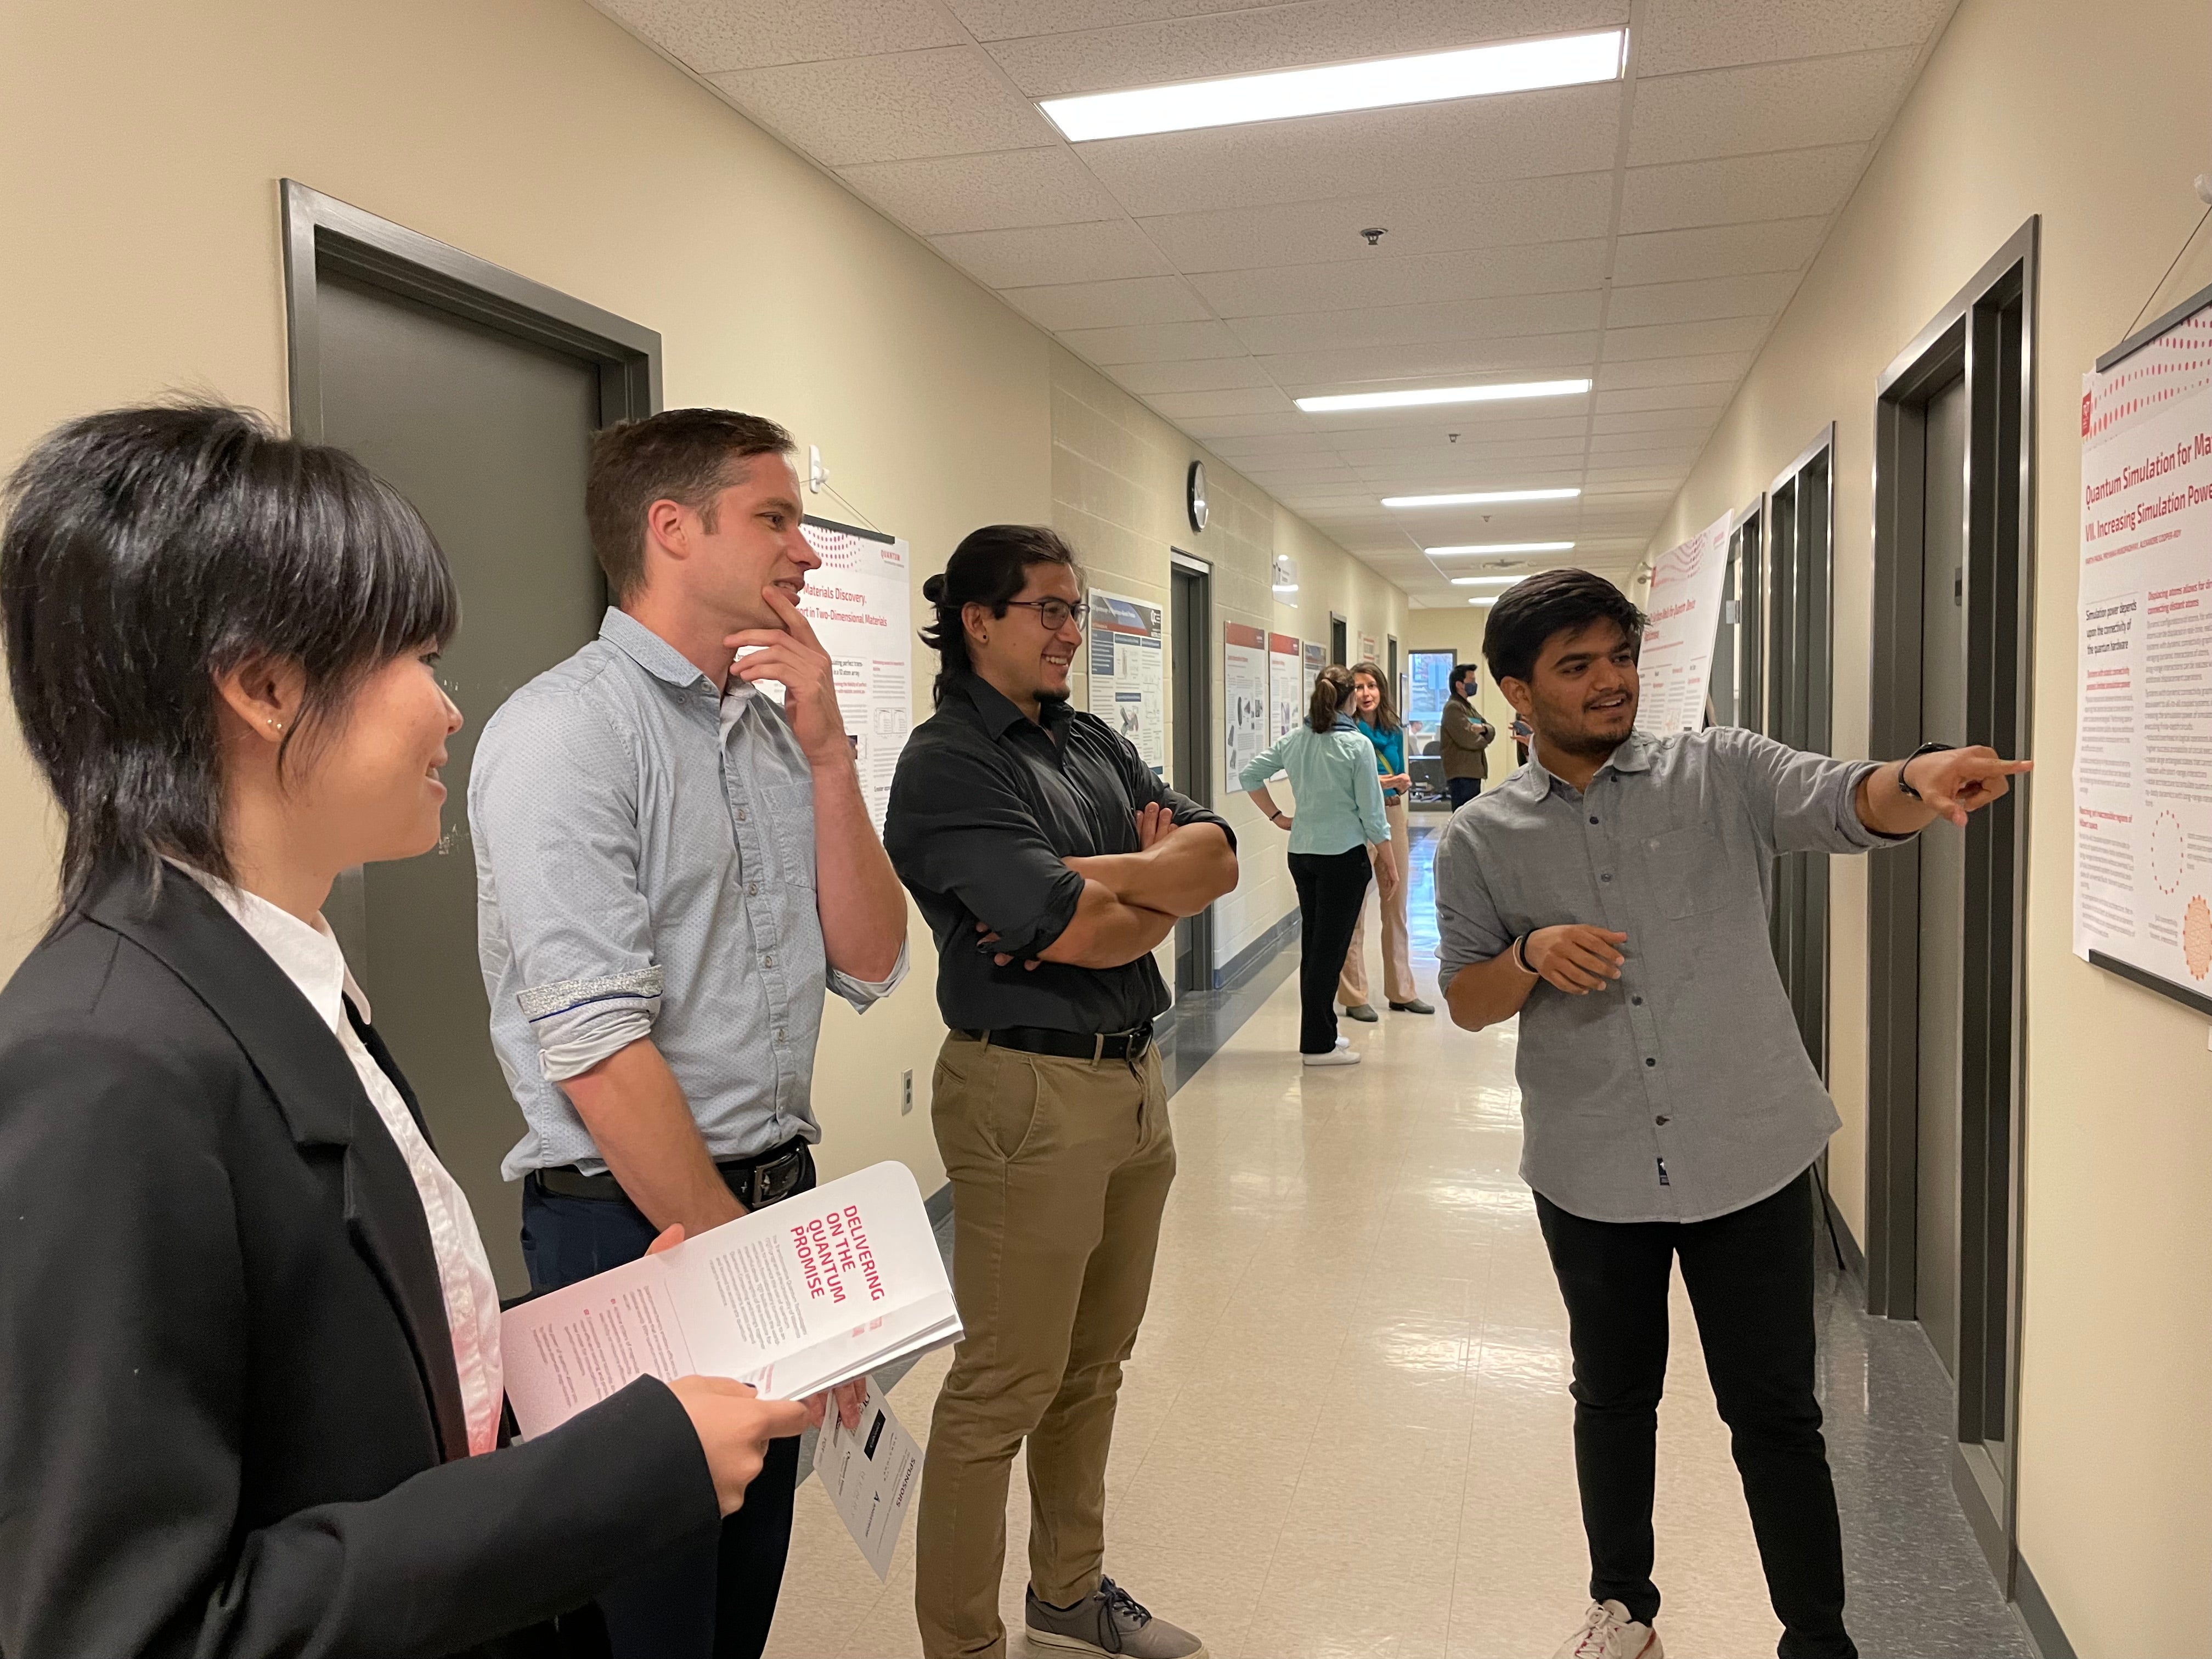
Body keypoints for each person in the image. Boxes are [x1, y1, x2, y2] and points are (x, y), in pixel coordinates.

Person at [0, 403, 810, 1658]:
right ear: (264, 685)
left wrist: (618, 1375)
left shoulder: (281, 977)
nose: (448, 713)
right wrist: (626, 1470)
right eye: (412, 661)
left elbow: (353, 1414)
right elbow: (135, 1629)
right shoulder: (106, 1063)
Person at [1431, 569, 2028, 1659]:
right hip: (1591, 1162)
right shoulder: (1482, 839)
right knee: (1613, 1399)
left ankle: (1817, 1636)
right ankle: (1626, 1611)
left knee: (1778, 1416)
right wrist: (1527, 955)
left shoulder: (1721, 771)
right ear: (1519, 693)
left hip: (1748, 1152)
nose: (1613, 682)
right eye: (1579, 666)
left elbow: (1846, 797)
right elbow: (1468, 1001)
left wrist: (1917, 777)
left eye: (1622, 656)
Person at [470, 408, 909, 1659]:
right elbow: (603, 1057)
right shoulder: (568, 733)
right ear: (673, 530)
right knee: (647, 1619)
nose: (808, 556)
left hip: (770, 1205)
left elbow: (874, 958)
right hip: (631, 1232)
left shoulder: (775, 730)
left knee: (739, 1596)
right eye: (775, 518)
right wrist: (760, 1288)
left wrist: (830, 758)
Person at [884, 526, 1235, 1659]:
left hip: (1134, 1084)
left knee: (1092, 1369)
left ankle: (1068, 1596)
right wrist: (1139, 890)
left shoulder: (1086, 739)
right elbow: (1079, 935)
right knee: (1004, 1387)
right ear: (977, 620)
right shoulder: (950, 765)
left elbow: (1219, 856)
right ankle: (963, 1644)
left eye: (1076, 610)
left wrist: (1098, 877)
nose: (1070, 631)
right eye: (1047, 609)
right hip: (1024, 1094)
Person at [1242, 664, 1399, 1066]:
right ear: (1349, 700)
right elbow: (1372, 812)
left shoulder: (1296, 740)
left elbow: (1250, 775)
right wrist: (1389, 860)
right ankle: (1318, 1045)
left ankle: (1323, 1030)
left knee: (1315, 947)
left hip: (1303, 855)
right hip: (1343, 858)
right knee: (1329, 952)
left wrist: (1278, 818)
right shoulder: (1356, 746)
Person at [1335, 660, 1433, 1017]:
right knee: (1355, 910)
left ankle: (1401, 990)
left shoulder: (1394, 730)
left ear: (1382, 690)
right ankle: (1354, 995)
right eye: (1358, 687)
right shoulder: (1346, 731)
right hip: (1357, 820)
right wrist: (1390, 782)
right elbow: (1350, 781)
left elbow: (1396, 771)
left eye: (1371, 686)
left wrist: (1399, 785)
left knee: (1396, 905)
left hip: (1392, 814)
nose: (1365, 694)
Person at [1439, 660, 1496, 810]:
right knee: (1463, 816)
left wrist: (1483, 729)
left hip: (1472, 772)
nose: (1474, 685)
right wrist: (1485, 737)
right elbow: (1468, 739)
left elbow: (1490, 729)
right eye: (1471, 681)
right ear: (1459, 684)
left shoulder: (1468, 707)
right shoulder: (1453, 708)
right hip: (1461, 775)